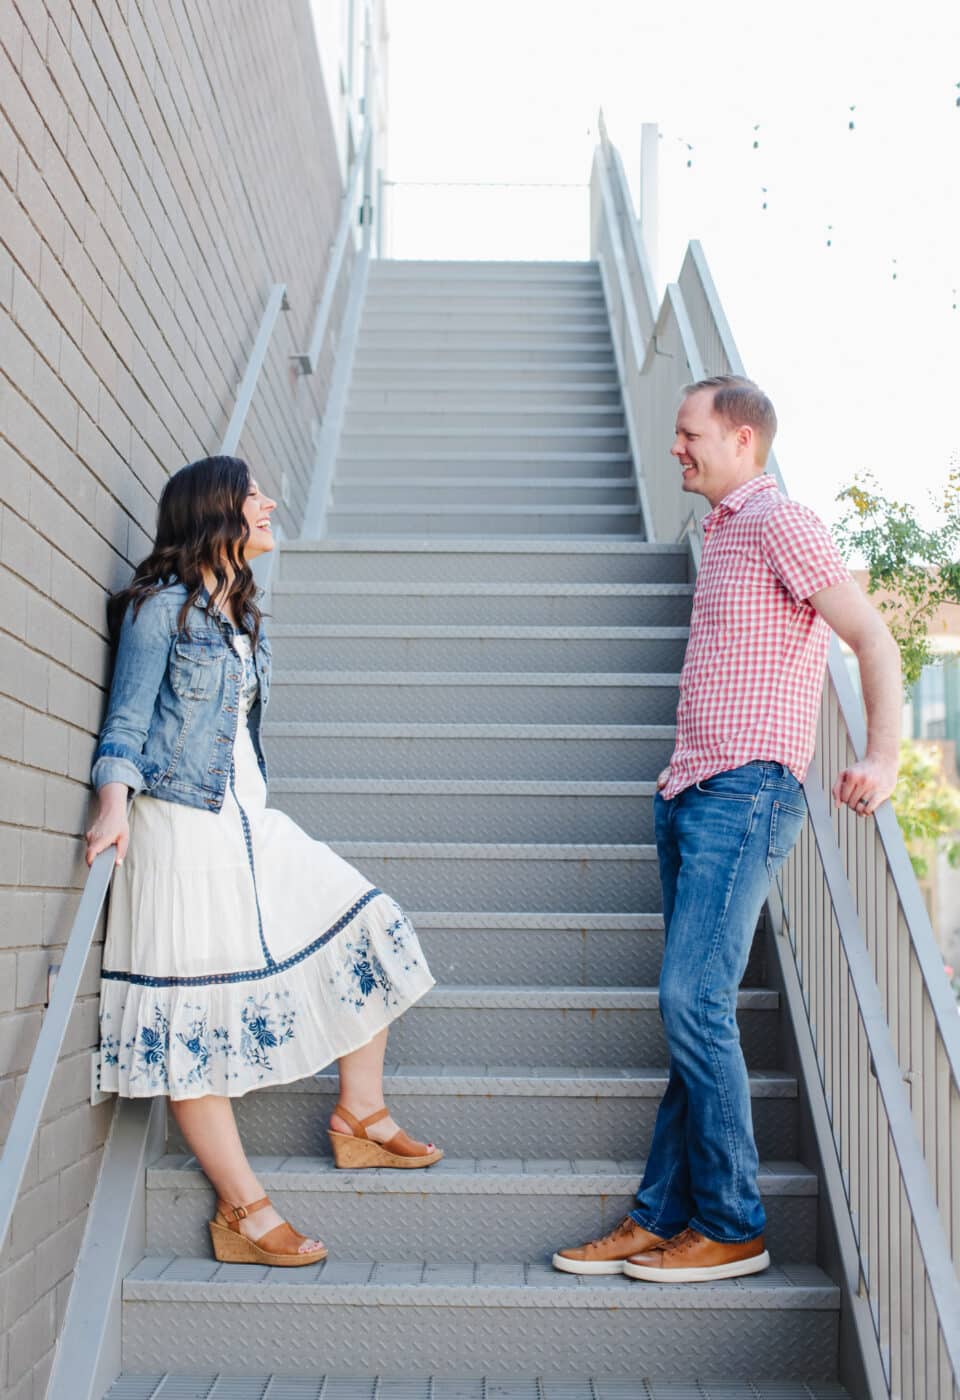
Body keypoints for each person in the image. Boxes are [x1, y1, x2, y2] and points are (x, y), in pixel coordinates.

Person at [553, 375, 901, 1283]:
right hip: (691, 790)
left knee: (691, 1003)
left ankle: (735, 1224)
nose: (677, 447)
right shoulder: (722, 532)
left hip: (746, 792)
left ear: (741, 440)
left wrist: (883, 758)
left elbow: (873, 638)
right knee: (693, 1008)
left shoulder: (780, 521)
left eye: (689, 432)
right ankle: (657, 1214)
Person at [86, 456, 442, 1269]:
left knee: (370, 921)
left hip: (251, 824)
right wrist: (113, 806)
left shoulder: (242, 617)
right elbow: (127, 724)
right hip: (182, 832)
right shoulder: (161, 612)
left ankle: (359, 1114)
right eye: (254, 496)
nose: (269, 504)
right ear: (218, 512)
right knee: (194, 1028)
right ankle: (244, 1211)